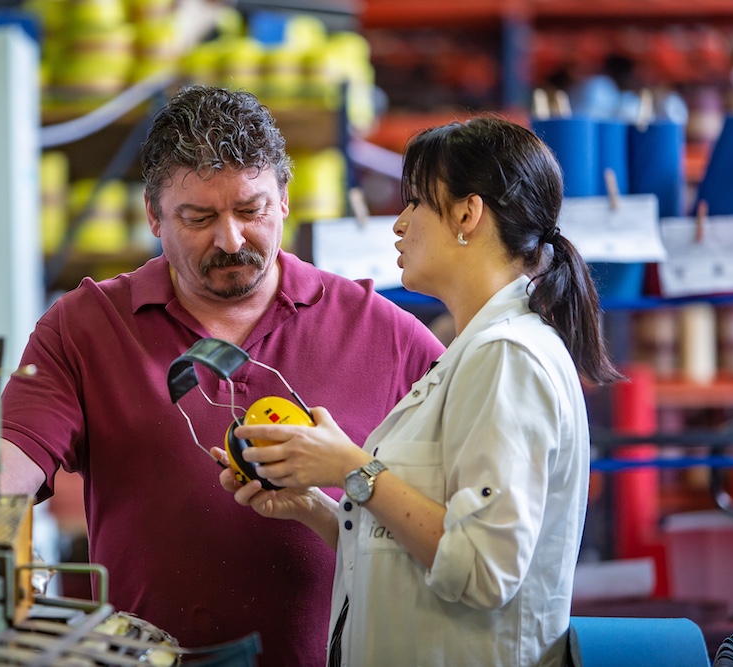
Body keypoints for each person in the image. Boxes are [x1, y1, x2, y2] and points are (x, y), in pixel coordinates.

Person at [0, 84, 445, 666]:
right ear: (153, 216)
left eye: (250, 209)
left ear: (284, 200)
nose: (230, 239)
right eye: (199, 217)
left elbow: (462, 513)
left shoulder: (379, 330)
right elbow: (9, 471)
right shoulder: (85, 327)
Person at [220, 116, 624, 666]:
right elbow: (413, 560)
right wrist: (317, 508)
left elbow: (482, 569)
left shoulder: (507, 358)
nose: (398, 225)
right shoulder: (470, 355)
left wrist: (353, 470)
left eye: (414, 203)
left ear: (467, 213)